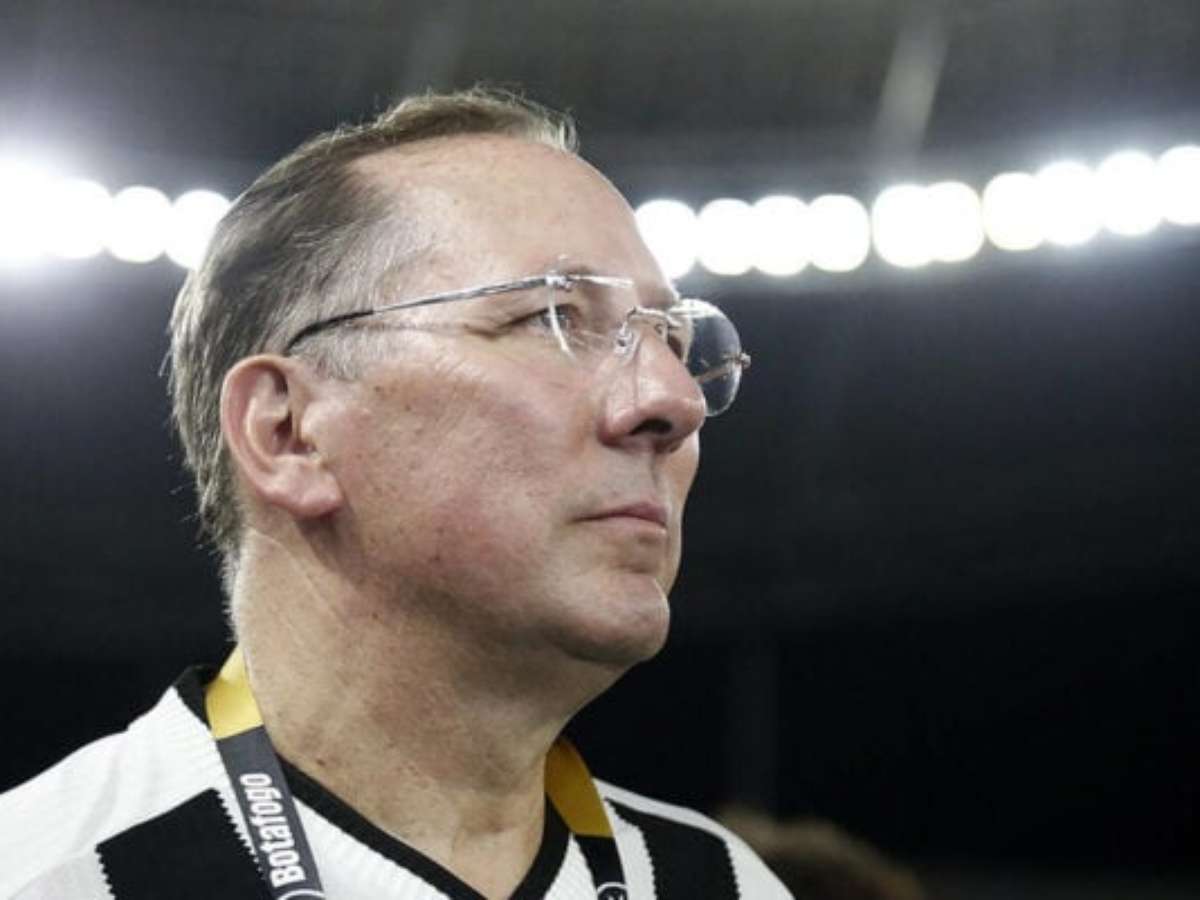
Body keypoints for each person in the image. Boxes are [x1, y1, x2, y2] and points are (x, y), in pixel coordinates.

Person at [0, 87, 786, 899]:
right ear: (288, 433)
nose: (677, 402)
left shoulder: (731, 887)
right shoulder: (46, 878)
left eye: (673, 339)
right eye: (552, 316)